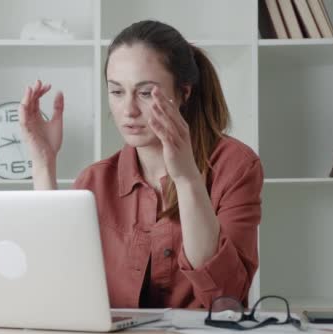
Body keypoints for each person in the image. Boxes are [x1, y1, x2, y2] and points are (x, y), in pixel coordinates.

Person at [18, 20, 263, 309]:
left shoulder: (235, 165)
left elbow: (226, 297)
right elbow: (58, 286)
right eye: (117, 92)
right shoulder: (94, 181)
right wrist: (44, 164)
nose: (129, 110)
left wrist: (187, 179)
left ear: (184, 93)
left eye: (146, 93)